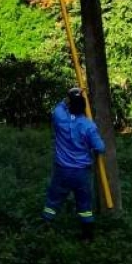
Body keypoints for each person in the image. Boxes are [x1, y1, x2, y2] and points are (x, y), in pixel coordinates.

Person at [42, 87, 105, 240]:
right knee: (84, 203)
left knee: (53, 199)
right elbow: (100, 148)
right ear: (84, 106)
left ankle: (44, 228)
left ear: (69, 104)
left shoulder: (59, 118)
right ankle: (88, 235)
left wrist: (71, 95)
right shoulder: (88, 126)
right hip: (81, 173)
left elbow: (59, 107)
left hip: (62, 171)